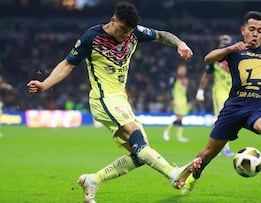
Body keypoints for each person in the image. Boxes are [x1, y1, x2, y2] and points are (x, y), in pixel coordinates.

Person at [26, 2, 201, 202]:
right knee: (137, 138)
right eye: (122, 30)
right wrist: (44, 85)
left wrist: (180, 44)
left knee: (141, 153)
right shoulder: (91, 38)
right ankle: (172, 174)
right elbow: (67, 64)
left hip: (120, 99)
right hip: (103, 98)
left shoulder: (134, 32)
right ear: (113, 20)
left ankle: (93, 179)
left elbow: (162, 34)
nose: (126, 35)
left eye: (129, 32)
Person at [181, 11, 261, 195]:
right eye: (252, 29)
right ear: (243, 30)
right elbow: (208, 58)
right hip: (233, 108)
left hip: (257, 106)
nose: (255, 33)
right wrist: (230, 49)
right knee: (207, 153)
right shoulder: (235, 48)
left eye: (259, 31)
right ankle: (193, 177)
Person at [196, 34, 235, 156]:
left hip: (233, 92)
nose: (223, 45)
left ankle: (215, 147)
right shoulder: (215, 59)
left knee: (231, 120)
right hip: (220, 93)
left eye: (226, 43)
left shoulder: (236, 58)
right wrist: (200, 91)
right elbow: (206, 75)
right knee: (223, 118)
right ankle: (224, 148)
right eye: (222, 43)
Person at [163, 64, 191, 142]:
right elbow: (170, 89)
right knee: (179, 117)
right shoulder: (174, 78)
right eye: (181, 69)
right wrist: (172, 99)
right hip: (177, 100)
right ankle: (167, 131)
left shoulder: (185, 79)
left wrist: (188, 101)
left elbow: (186, 91)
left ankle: (179, 136)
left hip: (184, 101)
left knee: (181, 118)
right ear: (178, 70)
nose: (183, 71)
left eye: (184, 69)